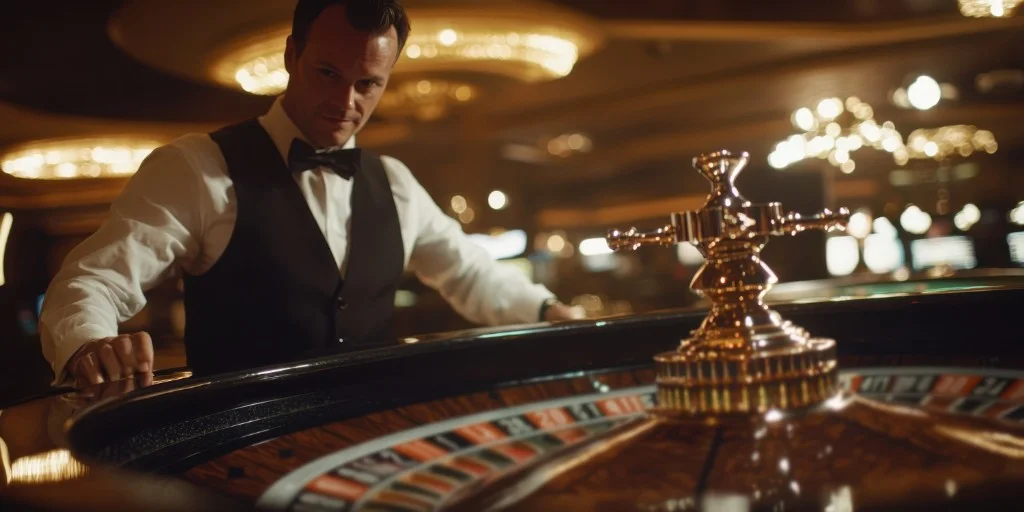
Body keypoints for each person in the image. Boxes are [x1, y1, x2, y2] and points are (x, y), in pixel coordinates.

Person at [39, 0, 583, 388]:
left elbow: (470, 272)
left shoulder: (393, 180)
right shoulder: (197, 167)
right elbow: (94, 279)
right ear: (290, 54)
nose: (346, 101)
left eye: (368, 83)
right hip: (234, 447)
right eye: (328, 72)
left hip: (370, 435)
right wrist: (89, 342)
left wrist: (554, 313)